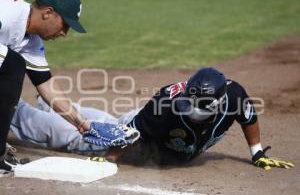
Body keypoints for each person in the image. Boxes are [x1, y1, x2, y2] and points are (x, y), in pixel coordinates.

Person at [10, 67, 294, 170]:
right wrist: (108, 156)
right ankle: (14, 112)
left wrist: (257, 153)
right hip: (139, 137)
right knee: (79, 138)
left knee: (111, 119)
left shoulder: (235, 96)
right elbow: (130, 134)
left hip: (143, 125)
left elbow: (249, 117)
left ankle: (51, 107)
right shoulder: (167, 104)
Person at [0, 0, 127, 174]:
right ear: (48, 13)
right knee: (12, 64)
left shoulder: (29, 40)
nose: (64, 33)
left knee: (10, 65)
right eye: (65, 24)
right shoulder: (6, 14)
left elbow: (45, 84)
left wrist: (81, 123)